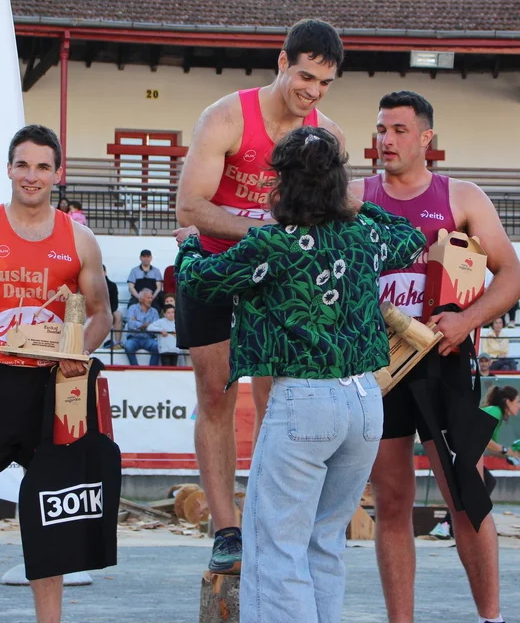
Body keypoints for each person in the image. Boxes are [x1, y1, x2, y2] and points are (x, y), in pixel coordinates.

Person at [177, 126, 425, 623]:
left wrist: (189, 246)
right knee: (324, 543)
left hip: (305, 403)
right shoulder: (365, 234)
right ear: (338, 183)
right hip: (365, 401)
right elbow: (412, 236)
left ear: (282, 183)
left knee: (276, 549)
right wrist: (361, 206)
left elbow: (199, 280)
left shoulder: (274, 243)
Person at [174, 18, 347, 573]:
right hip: (215, 268)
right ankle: (226, 529)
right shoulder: (225, 118)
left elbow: (336, 214)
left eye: (324, 83)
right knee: (216, 394)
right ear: (281, 62)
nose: (312, 92)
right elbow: (190, 207)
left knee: (280, 401)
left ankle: (273, 522)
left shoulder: (328, 137)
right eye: (305, 77)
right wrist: (267, 233)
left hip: (278, 278)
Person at [350, 90, 520, 623]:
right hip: (379, 363)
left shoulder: (462, 196)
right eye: (381, 129)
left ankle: (491, 618)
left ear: (426, 137)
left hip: (444, 357)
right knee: (392, 500)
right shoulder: (355, 196)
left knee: (464, 493)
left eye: (399, 130)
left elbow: (512, 277)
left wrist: (467, 320)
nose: (386, 140)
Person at [0, 124, 111, 623]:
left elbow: (101, 315)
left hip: (51, 389)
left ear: (58, 173)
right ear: (9, 169)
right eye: (23, 165)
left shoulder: (80, 239)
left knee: (48, 518)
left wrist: (77, 350)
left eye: (43, 167)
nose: (32, 176)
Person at [480, 385, 520, 461]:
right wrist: (506, 449)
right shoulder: (495, 411)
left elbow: (491, 449)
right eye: (518, 402)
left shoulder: (498, 416)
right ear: (508, 402)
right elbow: (482, 439)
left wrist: (512, 455)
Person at [122, 288, 160, 366]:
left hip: (149, 338)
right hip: (134, 338)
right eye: (148, 298)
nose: (150, 300)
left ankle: (152, 369)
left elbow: (156, 327)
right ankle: (135, 368)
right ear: (141, 299)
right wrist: (146, 325)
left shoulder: (154, 311)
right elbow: (131, 325)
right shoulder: (132, 308)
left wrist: (137, 323)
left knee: (158, 346)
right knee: (128, 346)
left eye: (151, 298)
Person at [101, 264, 124, 350]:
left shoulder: (112, 285)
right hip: (96, 312)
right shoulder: (92, 285)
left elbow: (115, 303)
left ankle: (117, 342)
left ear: (105, 272)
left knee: (118, 315)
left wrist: (108, 312)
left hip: (110, 311)